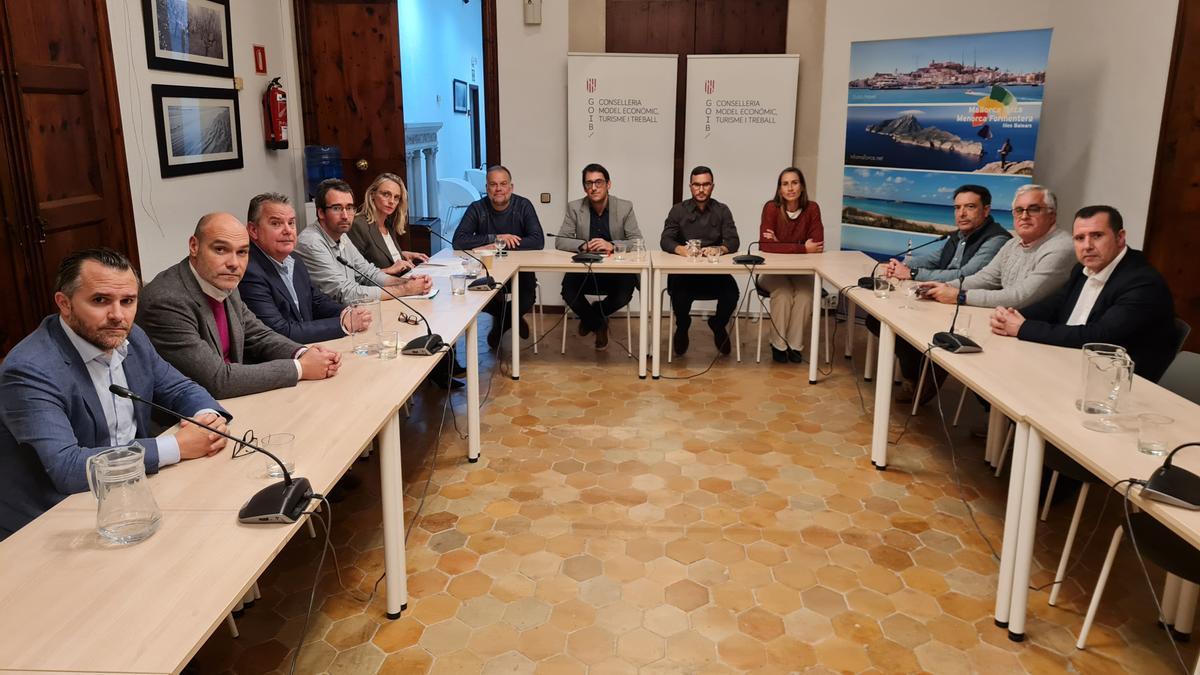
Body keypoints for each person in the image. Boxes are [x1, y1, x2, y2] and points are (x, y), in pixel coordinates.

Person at [0, 248, 229, 539]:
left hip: (131, 493)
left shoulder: (132, 337)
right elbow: (67, 467)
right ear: (65, 304)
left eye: (128, 301)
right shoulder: (31, 370)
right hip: (52, 520)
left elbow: (179, 387)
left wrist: (207, 420)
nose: (118, 315)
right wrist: (177, 447)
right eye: (100, 300)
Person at [137, 213, 342, 399]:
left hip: (234, 402)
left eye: (242, 252)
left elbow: (258, 334)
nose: (234, 263)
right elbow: (217, 380)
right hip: (185, 421)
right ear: (194, 246)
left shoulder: (224, 279)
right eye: (220, 249)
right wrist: (300, 368)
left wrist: (303, 353)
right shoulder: (166, 301)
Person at [991, 204, 1177, 382]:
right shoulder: (1082, 269)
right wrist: (1012, 316)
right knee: (996, 372)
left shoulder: (1142, 282)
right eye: (1079, 238)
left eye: (1096, 236)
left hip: (1116, 381)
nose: (1087, 246)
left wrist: (1023, 328)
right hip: (1069, 362)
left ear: (1120, 238)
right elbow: (1055, 304)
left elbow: (1100, 337)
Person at [871, 184, 1011, 403]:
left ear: (986, 210)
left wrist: (913, 272)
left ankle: (928, 372)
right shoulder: (958, 235)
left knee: (910, 325)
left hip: (969, 308)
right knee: (878, 320)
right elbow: (933, 259)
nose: (961, 213)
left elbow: (966, 274)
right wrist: (900, 265)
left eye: (970, 207)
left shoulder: (996, 240)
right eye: (957, 208)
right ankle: (918, 374)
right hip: (942, 298)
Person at [240, 192, 373, 343]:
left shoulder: (295, 260)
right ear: (253, 230)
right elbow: (279, 332)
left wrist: (348, 312)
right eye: (276, 223)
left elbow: (317, 302)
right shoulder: (249, 271)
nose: (288, 230)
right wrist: (342, 324)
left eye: (291, 223)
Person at [917, 184, 1074, 309]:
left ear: (1052, 215)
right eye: (1019, 210)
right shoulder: (1012, 244)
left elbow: (1020, 297)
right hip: (1005, 323)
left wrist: (960, 296)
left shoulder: (1060, 247)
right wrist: (943, 286)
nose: (1024, 216)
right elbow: (986, 278)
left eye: (1033, 209)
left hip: (1038, 336)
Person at [295, 178, 433, 304]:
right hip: (331, 319)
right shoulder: (311, 243)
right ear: (321, 213)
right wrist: (405, 289)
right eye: (337, 208)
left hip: (352, 312)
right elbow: (345, 292)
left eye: (349, 208)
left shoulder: (341, 235)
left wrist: (409, 282)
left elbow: (368, 273)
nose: (345, 216)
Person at [452, 165, 545, 349]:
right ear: (487, 188)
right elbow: (458, 241)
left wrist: (503, 244)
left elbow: (537, 241)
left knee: (526, 300)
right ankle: (512, 317)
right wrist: (496, 238)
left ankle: (501, 326)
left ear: (511, 187)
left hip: (520, 273)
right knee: (479, 300)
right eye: (493, 184)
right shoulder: (477, 208)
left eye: (503, 184)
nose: (498, 189)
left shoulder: (523, 205)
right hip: (488, 271)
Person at [555, 163, 643, 350]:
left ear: (608, 184)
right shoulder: (574, 207)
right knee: (568, 291)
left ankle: (593, 314)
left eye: (598, 182)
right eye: (589, 183)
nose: (593, 187)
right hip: (586, 268)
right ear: (584, 187)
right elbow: (560, 241)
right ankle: (599, 324)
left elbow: (637, 242)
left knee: (624, 295)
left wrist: (612, 245)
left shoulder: (624, 207)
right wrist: (583, 245)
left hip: (617, 270)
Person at [661, 166, 740, 356]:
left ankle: (718, 325)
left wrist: (719, 249)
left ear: (712, 186)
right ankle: (682, 326)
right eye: (697, 185)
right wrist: (683, 251)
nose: (701, 189)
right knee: (679, 295)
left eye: (706, 184)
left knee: (732, 293)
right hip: (685, 272)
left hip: (715, 272)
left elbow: (734, 241)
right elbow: (666, 239)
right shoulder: (678, 210)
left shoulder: (722, 210)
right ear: (690, 186)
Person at [757, 167, 824, 364]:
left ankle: (794, 345)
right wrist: (803, 248)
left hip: (801, 272)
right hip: (773, 273)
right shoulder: (771, 208)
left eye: (794, 183)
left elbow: (818, 245)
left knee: (805, 295)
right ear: (779, 190)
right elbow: (765, 245)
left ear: (802, 187)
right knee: (784, 293)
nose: (790, 188)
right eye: (785, 184)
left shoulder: (812, 209)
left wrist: (780, 243)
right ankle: (778, 344)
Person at [348, 172, 430, 273]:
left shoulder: (388, 224)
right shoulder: (358, 225)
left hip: (401, 281)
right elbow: (353, 273)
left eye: (396, 197)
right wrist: (389, 270)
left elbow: (380, 255)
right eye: (386, 194)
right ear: (372, 194)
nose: (391, 201)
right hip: (382, 287)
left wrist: (402, 254)